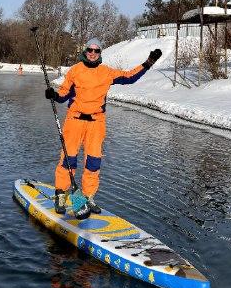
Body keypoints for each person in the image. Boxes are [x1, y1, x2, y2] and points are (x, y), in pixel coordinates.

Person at [45, 39, 162, 216]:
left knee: (93, 161)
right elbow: (63, 94)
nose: (92, 53)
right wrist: (53, 94)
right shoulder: (75, 70)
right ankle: (61, 194)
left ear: (100, 53)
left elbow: (129, 76)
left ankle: (87, 198)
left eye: (96, 51)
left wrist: (148, 63)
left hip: (97, 123)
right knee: (69, 159)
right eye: (90, 50)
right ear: (85, 51)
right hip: (74, 121)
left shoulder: (106, 72)